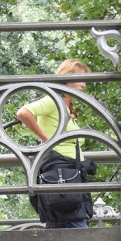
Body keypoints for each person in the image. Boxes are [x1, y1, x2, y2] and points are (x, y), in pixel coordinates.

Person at [17, 59, 94, 229]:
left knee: (61, 226)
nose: (84, 84)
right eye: (80, 79)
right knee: (76, 228)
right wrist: (45, 139)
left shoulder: (65, 106)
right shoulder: (54, 100)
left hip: (67, 176)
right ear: (67, 78)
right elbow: (24, 113)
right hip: (61, 176)